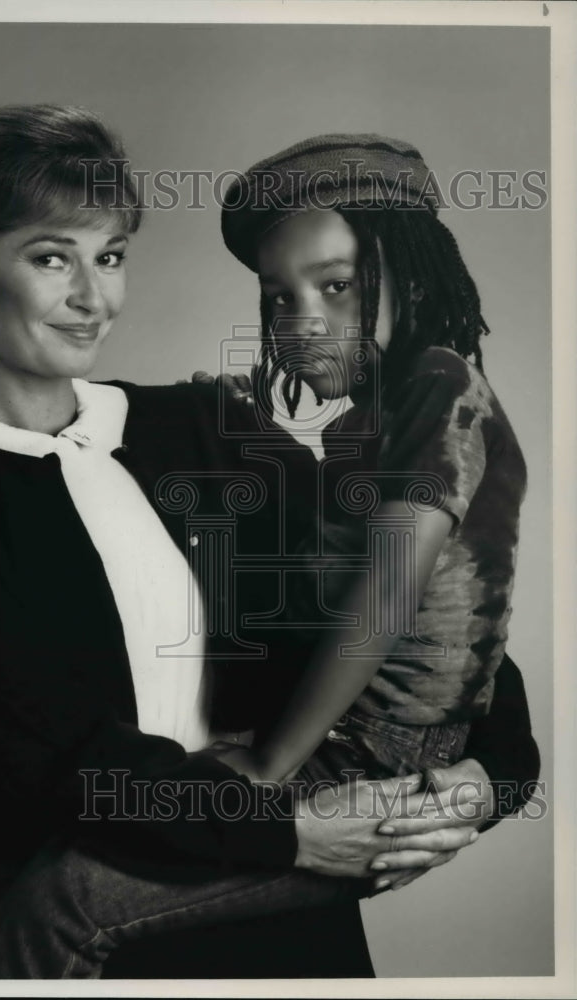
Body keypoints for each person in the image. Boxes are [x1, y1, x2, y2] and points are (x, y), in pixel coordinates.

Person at [0, 98, 539, 979]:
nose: (94, 298)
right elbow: (51, 758)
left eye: (112, 256)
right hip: (115, 943)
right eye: (52, 258)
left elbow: (415, 606)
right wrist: (286, 830)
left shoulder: (202, 427)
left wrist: (488, 782)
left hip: (293, 942)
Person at [208, 133, 528, 795]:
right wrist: (261, 439)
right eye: (279, 298)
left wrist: (270, 765)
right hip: (330, 728)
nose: (304, 324)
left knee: (71, 890)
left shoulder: (440, 381)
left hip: (378, 751)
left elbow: (385, 595)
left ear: (410, 276)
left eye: (337, 285)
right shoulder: (368, 418)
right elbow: (338, 546)